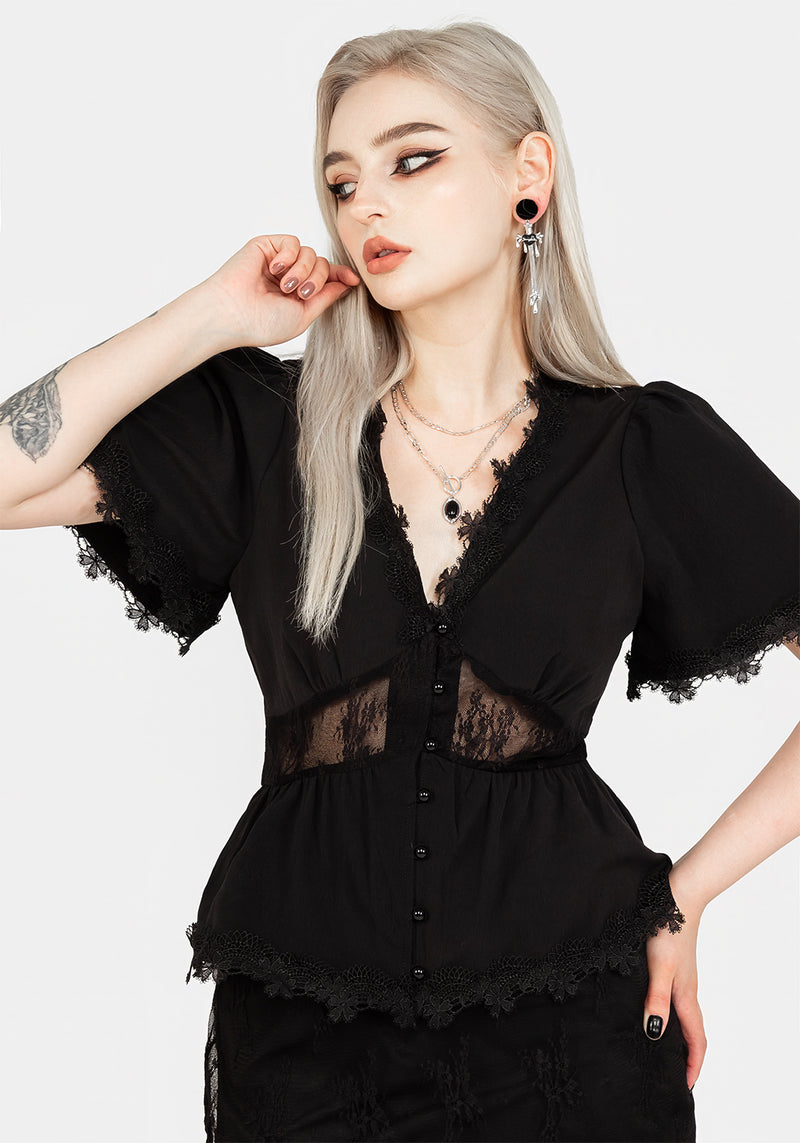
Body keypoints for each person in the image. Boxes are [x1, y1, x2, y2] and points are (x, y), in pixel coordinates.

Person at [1, 18, 798, 1143]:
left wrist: (690, 890)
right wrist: (211, 317)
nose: (366, 205)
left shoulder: (637, 448)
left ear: (527, 174)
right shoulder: (265, 431)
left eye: (412, 160)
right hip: (303, 1045)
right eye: (342, 182)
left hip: (572, 1034)